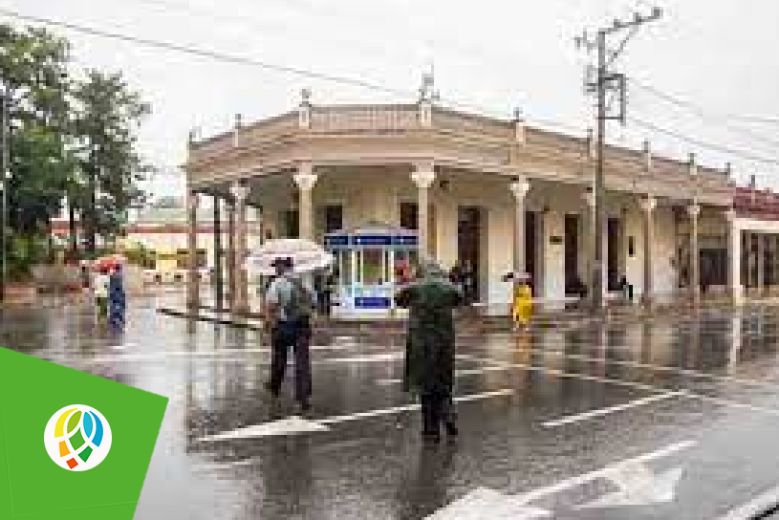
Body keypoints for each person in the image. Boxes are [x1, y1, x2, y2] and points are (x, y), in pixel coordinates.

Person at [395, 260, 463, 443]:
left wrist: (406, 281)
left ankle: (430, 431)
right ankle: (448, 416)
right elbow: (459, 299)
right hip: (444, 344)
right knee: (443, 384)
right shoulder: (449, 288)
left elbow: (399, 300)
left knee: (426, 388)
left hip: (421, 345)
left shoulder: (415, 287)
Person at [264, 257, 316, 412]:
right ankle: (303, 397)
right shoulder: (304, 282)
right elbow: (313, 303)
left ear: (282, 266)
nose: (275, 269)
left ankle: (274, 386)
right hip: (302, 326)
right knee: (302, 363)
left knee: (279, 359)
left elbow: (271, 305)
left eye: (276, 266)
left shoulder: (277, 283)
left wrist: (269, 323)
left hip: (283, 326)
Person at [108, 264, 126, 330]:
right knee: (120, 307)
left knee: (113, 306)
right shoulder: (119, 276)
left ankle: (113, 320)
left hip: (112, 293)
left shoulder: (112, 275)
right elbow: (119, 286)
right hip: (118, 293)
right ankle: (120, 320)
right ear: (119, 268)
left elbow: (110, 284)